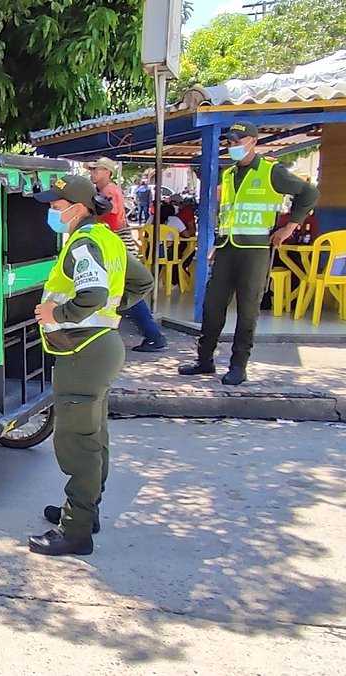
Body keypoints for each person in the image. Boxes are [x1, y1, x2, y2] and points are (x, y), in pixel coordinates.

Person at [29, 175, 153, 556]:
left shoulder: (83, 243)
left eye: (55, 205)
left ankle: (76, 532)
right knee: (94, 437)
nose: (51, 211)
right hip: (102, 349)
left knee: (77, 444)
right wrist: (111, 313)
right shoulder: (107, 238)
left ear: (77, 208)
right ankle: (84, 512)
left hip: (83, 354)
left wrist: (56, 313)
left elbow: (93, 294)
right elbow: (143, 281)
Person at [178, 121, 319, 386]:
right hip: (227, 248)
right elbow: (227, 214)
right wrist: (216, 243)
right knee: (212, 307)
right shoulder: (229, 174)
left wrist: (290, 226)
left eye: (237, 142)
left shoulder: (271, 172)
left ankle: (238, 366)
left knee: (247, 311)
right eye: (229, 143)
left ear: (253, 142)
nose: (232, 147)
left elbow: (309, 193)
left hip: (254, 251)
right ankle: (204, 360)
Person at [87, 158, 167, 352]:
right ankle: (151, 334)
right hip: (117, 240)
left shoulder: (108, 192)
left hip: (116, 242)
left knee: (122, 289)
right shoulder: (108, 190)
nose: (92, 173)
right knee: (121, 289)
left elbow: (110, 216)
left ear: (107, 172)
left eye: (96, 170)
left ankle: (152, 334)